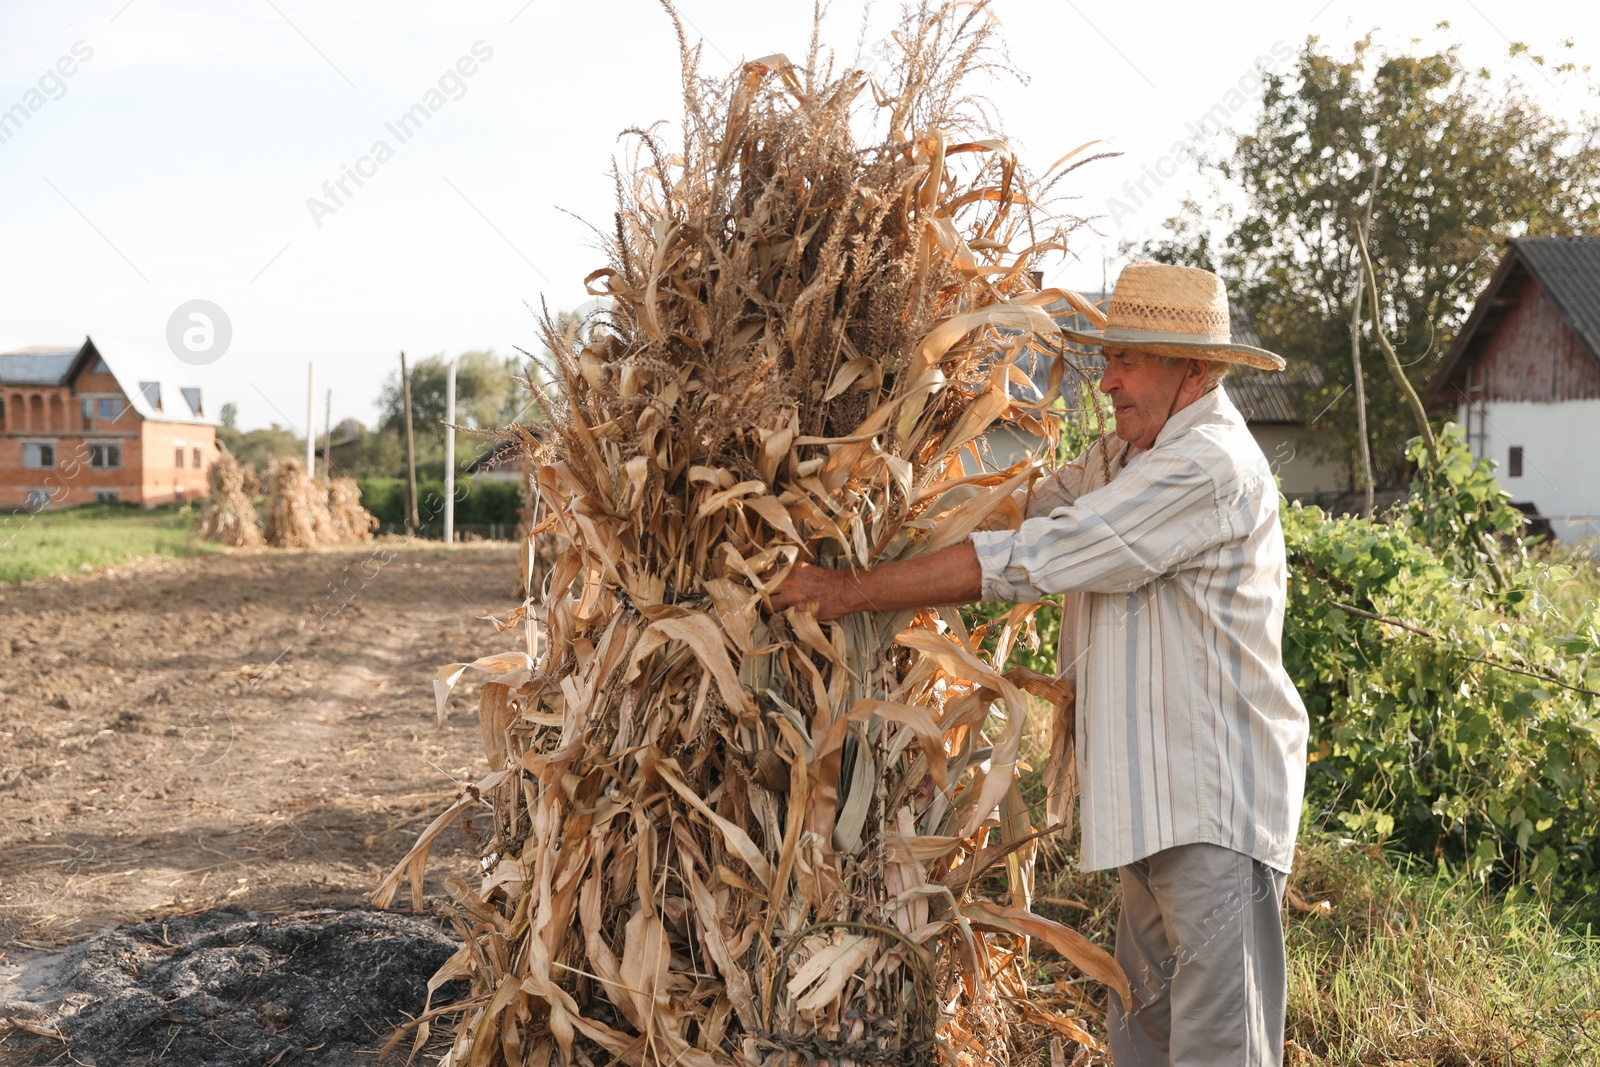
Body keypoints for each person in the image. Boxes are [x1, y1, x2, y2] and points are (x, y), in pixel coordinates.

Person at [770, 261, 1309, 1066]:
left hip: (1214, 810)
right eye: (1108, 356)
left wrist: (849, 589)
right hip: (1156, 810)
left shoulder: (1206, 465)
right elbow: (1024, 507)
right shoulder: (1127, 457)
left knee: (1218, 1051)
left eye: (1129, 359)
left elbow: (1036, 553)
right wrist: (883, 505)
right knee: (1148, 1040)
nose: (1110, 378)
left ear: (1192, 369)